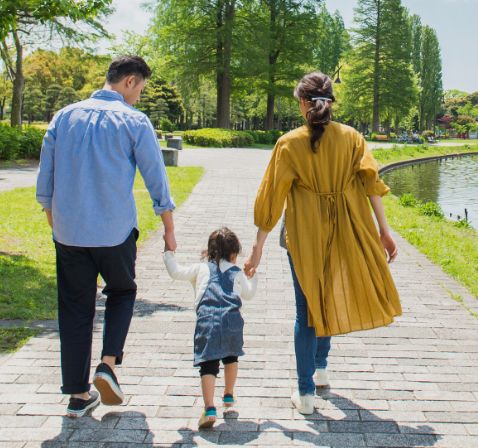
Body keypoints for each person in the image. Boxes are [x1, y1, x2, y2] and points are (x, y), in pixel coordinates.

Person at [244, 71, 401, 415]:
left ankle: (305, 394)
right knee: (327, 297)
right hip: (345, 227)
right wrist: (383, 230)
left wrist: (256, 247)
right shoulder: (352, 137)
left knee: (306, 310)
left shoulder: (288, 143)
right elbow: (372, 183)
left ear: (302, 102)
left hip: (303, 233)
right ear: (331, 102)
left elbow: (271, 198)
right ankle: (321, 368)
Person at [36, 55, 178, 418]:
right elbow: (156, 179)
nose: (139, 98)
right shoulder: (134, 121)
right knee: (122, 292)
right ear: (129, 81)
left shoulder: (64, 116)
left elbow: (45, 183)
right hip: (114, 233)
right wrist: (169, 229)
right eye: (140, 90)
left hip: (68, 233)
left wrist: (59, 226)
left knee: (74, 308)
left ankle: (78, 396)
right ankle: (108, 364)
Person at [163, 227, 257, 429]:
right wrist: (252, 277)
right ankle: (229, 394)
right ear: (234, 254)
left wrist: (168, 252)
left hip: (208, 322)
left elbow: (175, 271)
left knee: (208, 365)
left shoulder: (201, 268)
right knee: (231, 356)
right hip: (233, 321)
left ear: (209, 252)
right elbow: (248, 294)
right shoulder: (237, 271)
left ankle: (210, 408)